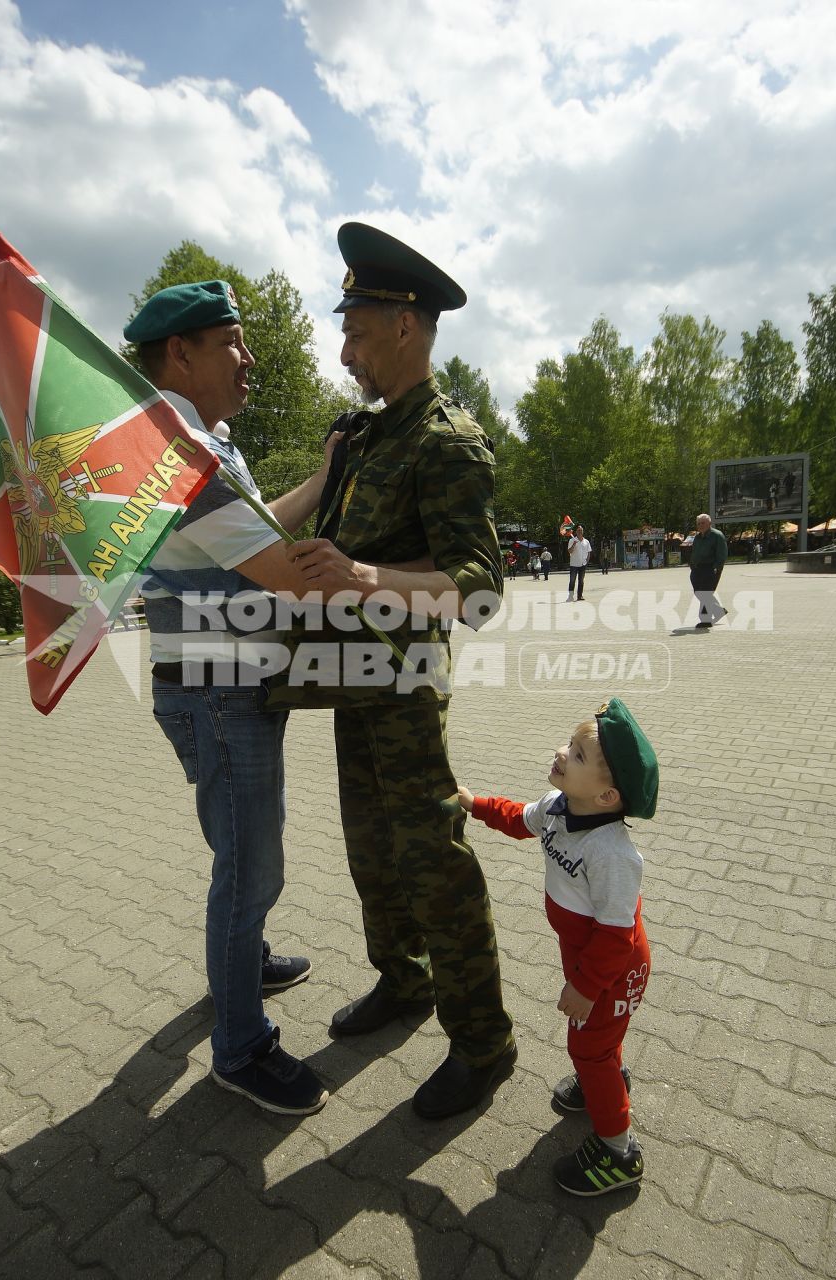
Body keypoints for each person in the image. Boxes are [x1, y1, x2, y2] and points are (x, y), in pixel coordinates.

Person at [276, 222, 516, 1120]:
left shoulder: (445, 443)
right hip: (350, 684)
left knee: (432, 861)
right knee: (370, 853)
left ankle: (484, 1042)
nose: (345, 351)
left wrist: (365, 576)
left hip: (407, 690)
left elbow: (481, 590)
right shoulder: (368, 438)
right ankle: (404, 981)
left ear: (405, 326)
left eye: (357, 330)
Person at [125, 279, 341, 1117]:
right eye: (233, 343)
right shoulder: (186, 459)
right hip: (219, 693)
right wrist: (390, 586)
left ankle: (239, 968)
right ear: (181, 354)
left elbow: (256, 535)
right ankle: (241, 1047)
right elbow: (283, 571)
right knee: (250, 867)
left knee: (248, 857)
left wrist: (321, 480)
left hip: (227, 686)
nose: (249, 359)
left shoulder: (201, 445)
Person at [459, 697, 658, 1196]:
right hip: (586, 959)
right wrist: (473, 804)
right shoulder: (559, 807)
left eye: (578, 754)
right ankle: (605, 1076)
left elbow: (619, 936)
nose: (561, 752)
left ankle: (620, 1152)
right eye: (569, 744)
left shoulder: (613, 854)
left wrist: (587, 986)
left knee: (586, 1047)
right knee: (595, 1045)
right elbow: (517, 817)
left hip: (611, 967)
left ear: (608, 796)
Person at [689, 513, 728, 628]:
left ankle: (705, 620)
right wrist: (692, 564)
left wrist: (717, 567)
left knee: (705, 593)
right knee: (698, 592)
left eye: (703, 523)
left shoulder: (717, 536)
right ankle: (718, 610)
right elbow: (695, 551)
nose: (700, 525)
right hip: (697, 568)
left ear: (709, 523)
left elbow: (722, 554)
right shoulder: (697, 537)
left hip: (711, 568)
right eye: (699, 523)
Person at [566, 524, 591, 601]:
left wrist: (586, 561)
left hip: (583, 565)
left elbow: (589, 552)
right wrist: (574, 544)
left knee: (581, 581)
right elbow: (569, 551)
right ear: (576, 532)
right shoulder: (572, 540)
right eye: (578, 530)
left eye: (581, 530)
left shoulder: (586, 541)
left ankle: (579, 596)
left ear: (583, 531)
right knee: (572, 581)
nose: (580, 531)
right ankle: (570, 596)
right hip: (574, 564)